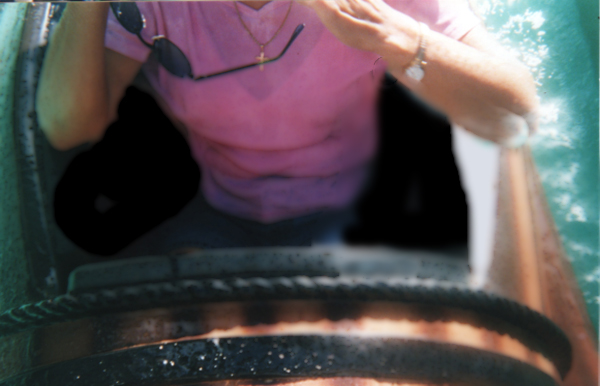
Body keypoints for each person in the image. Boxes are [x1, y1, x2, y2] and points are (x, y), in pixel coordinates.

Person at [36, 0, 538, 255]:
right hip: (212, 211)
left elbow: (518, 106)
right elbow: (68, 126)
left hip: (361, 215)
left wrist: (395, 36)